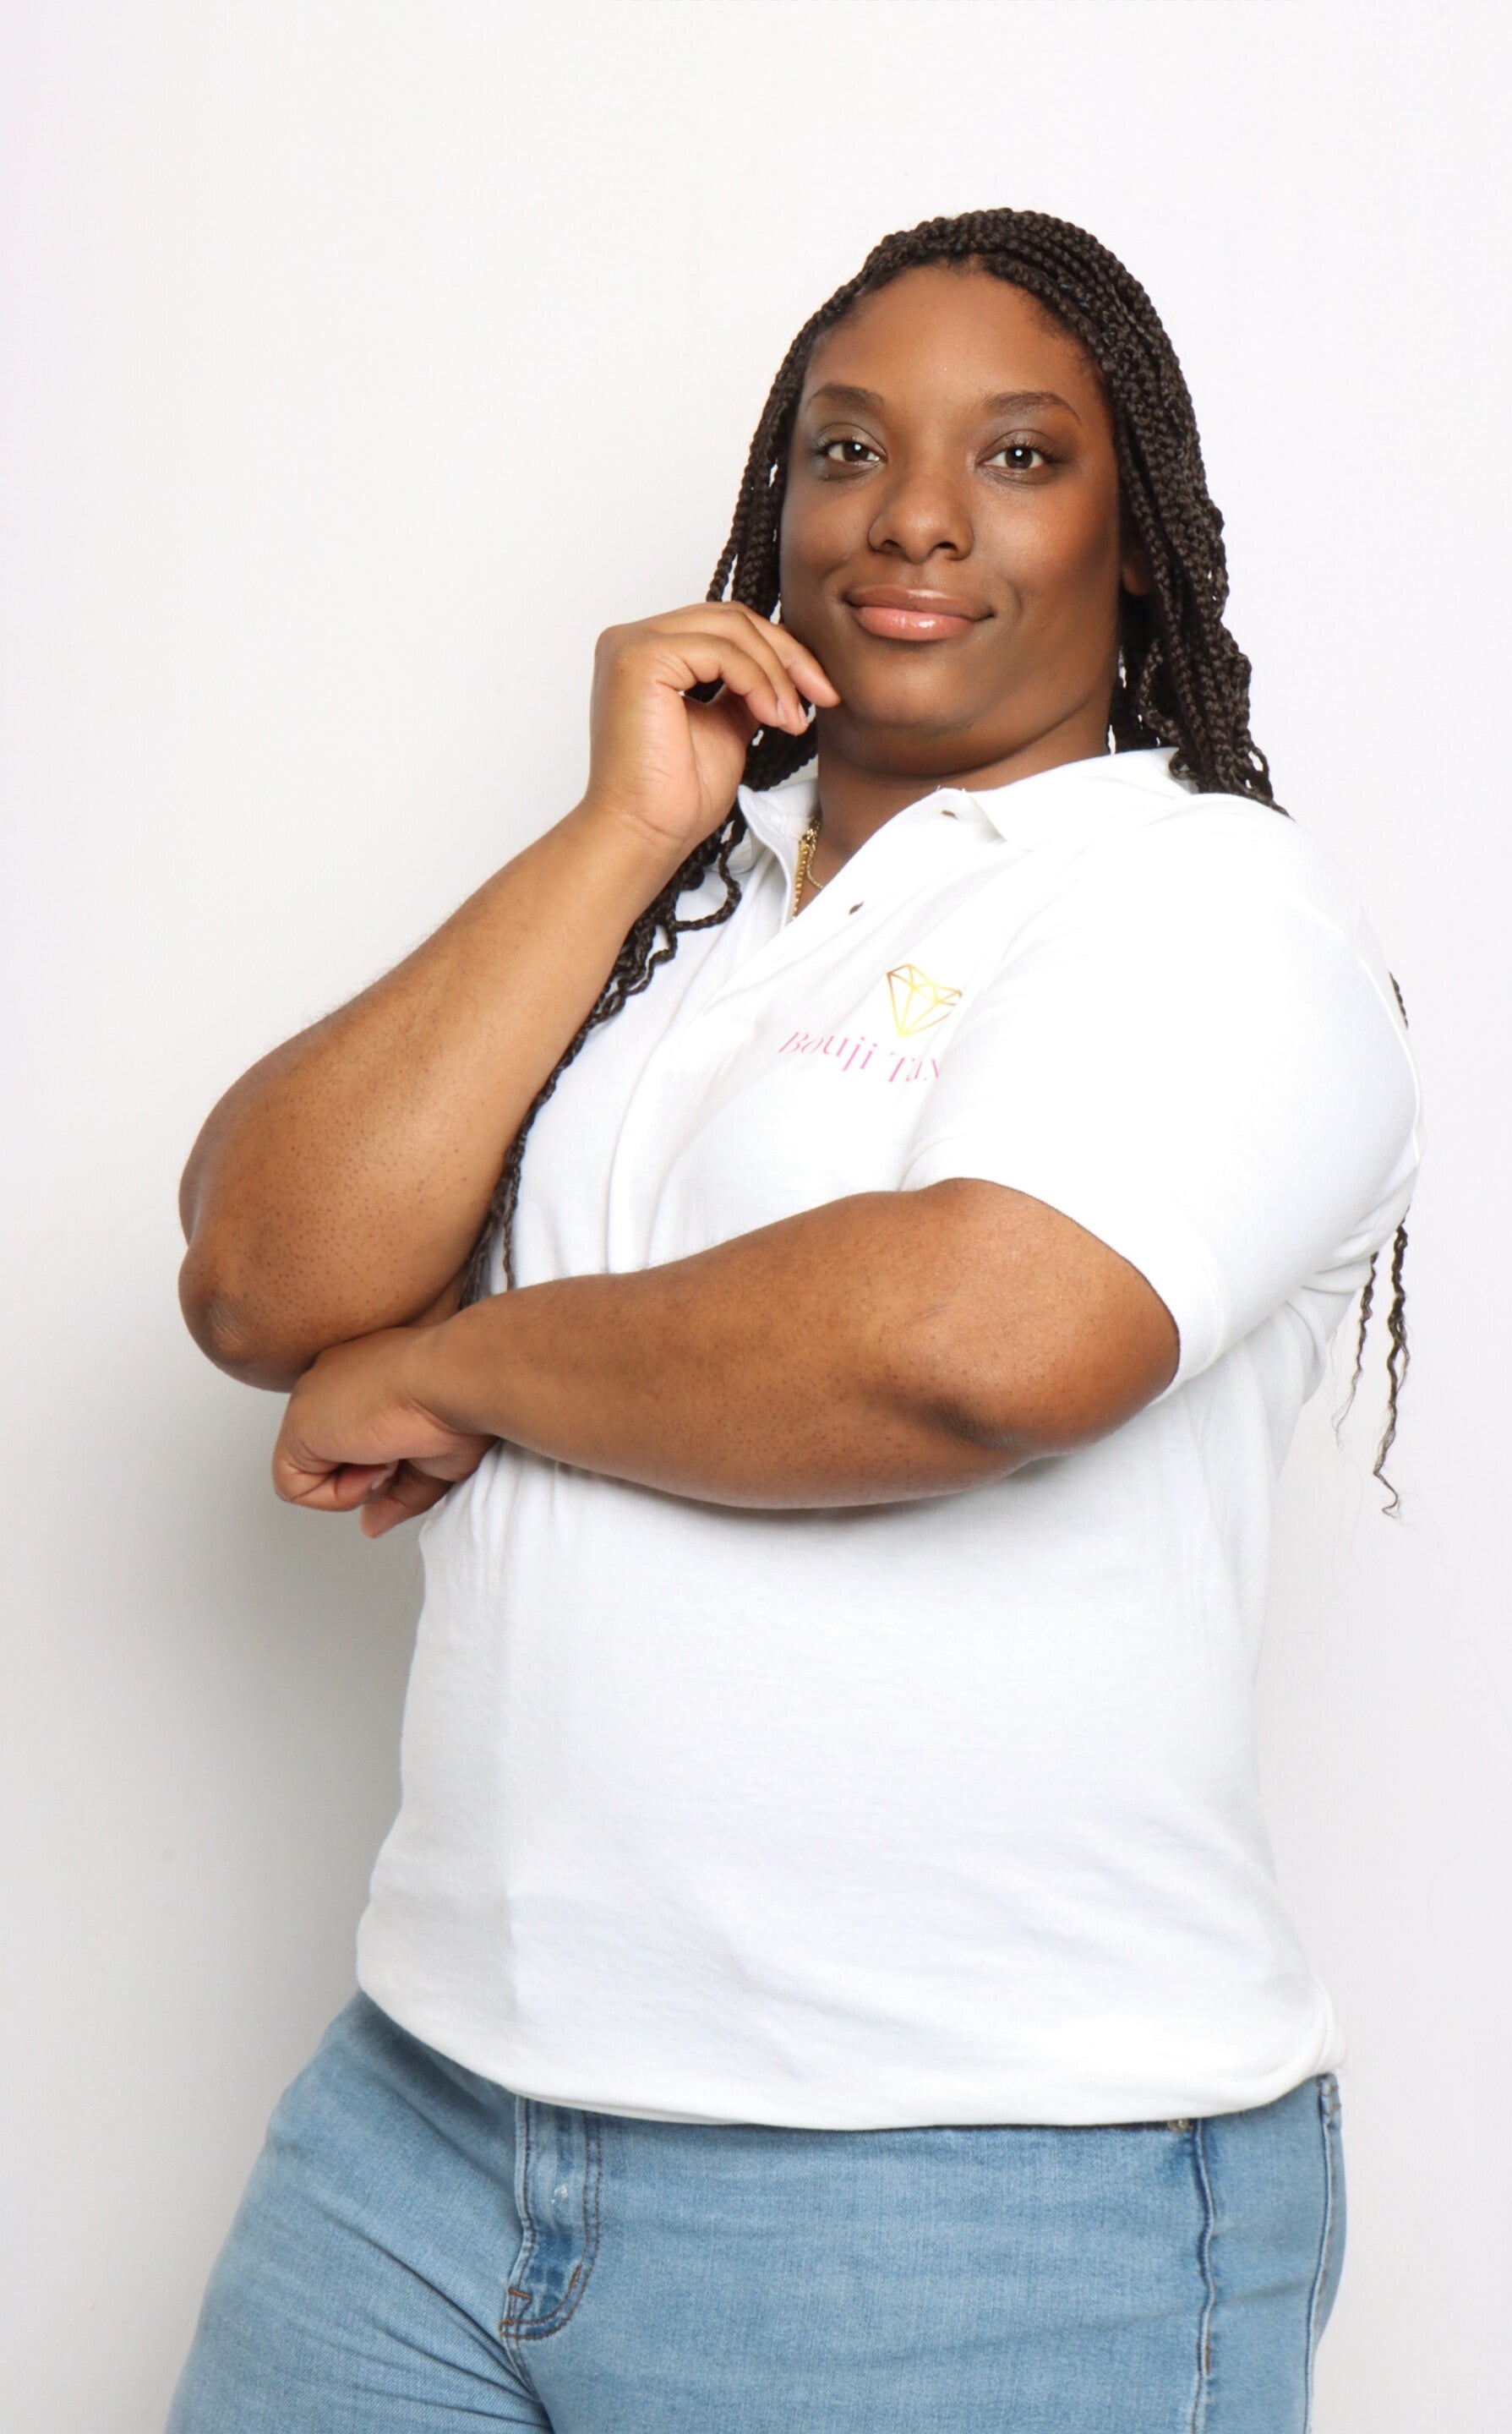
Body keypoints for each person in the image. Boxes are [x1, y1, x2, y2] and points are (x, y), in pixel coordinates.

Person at [168, 209, 1422, 2433]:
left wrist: (459, 1363)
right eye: (849, 449)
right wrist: (621, 827)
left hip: (968, 2198)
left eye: (1017, 457)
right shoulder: (681, 916)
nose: (912, 514)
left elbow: (973, 1342)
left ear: (1139, 543)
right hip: (427, 2130)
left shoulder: (1215, 907)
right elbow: (263, 1275)